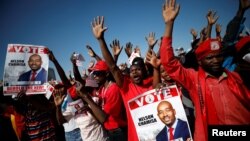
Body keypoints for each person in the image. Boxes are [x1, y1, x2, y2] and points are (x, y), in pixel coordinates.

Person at [159, 0, 250, 141]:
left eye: (218, 56)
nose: (215, 61)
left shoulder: (236, 76)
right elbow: (169, 63)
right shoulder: (193, 79)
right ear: (200, 61)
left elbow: (229, 39)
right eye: (209, 58)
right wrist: (169, 24)